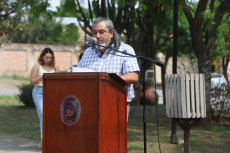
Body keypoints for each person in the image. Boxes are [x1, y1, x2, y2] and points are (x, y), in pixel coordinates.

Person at [77, 17, 140, 120]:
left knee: (113, 136)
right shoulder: (88, 52)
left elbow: (133, 76)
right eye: (94, 32)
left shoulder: (125, 50)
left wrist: (107, 82)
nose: (97, 36)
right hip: (89, 103)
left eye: (101, 32)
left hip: (116, 103)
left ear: (111, 33)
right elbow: (78, 75)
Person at [30, 48, 60, 150]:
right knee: (43, 114)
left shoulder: (55, 67)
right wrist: (42, 77)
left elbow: (59, 80)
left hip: (51, 93)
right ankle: (43, 141)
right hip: (38, 92)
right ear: (42, 56)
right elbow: (32, 81)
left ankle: (50, 140)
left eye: (50, 57)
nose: (49, 59)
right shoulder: (37, 66)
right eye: (47, 57)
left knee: (52, 116)